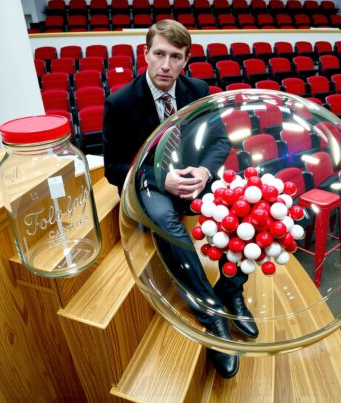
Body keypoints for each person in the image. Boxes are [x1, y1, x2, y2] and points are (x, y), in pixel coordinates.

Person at [103, 20, 258, 379]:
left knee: (242, 206)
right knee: (165, 220)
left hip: (192, 177)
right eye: (159, 54)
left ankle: (232, 289)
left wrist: (204, 173)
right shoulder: (121, 102)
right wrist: (163, 178)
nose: (165, 65)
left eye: (175, 57)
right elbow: (113, 167)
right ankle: (212, 316)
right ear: (145, 54)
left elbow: (219, 141)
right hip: (149, 184)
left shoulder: (197, 89)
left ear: (185, 61)